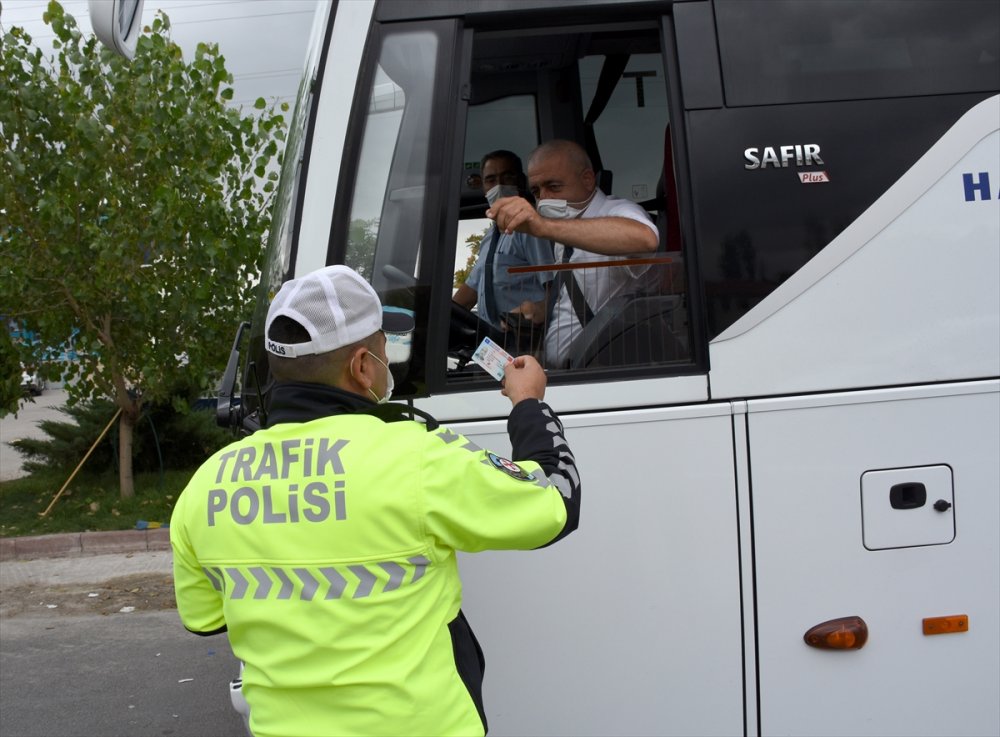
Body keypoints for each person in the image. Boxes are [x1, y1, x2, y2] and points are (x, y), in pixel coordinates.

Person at [170, 264, 581, 737]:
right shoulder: (416, 456)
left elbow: (205, 620)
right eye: (386, 347)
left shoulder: (205, 487)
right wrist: (529, 404)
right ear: (363, 366)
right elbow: (556, 502)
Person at [487, 139, 659, 368]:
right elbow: (578, 290)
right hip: (572, 371)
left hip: (608, 366)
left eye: (554, 186)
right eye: (537, 191)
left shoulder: (617, 210)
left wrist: (542, 226)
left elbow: (644, 239)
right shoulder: (567, 225)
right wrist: (541, 308)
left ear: (587, 179)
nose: (544, 198)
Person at [453, 149, 553, 353]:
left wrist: (536, 311)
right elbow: (468, 294)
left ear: (521, 181)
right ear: (483, 187)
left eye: (507, 177)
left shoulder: (531, 230)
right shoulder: (490, 238)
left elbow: (557, 289)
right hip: (490, 346)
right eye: (491, 179)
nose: (498, 185)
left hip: (524, 344)